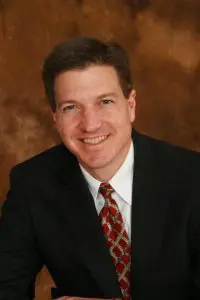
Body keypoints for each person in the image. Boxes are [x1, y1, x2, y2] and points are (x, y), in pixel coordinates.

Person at [0, 36, 200, 300]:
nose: (90, 124)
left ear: (131, 105)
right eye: (71, 108)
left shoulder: (192, 177)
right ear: (56, 118)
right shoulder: (33, 185)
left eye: (104, 102)